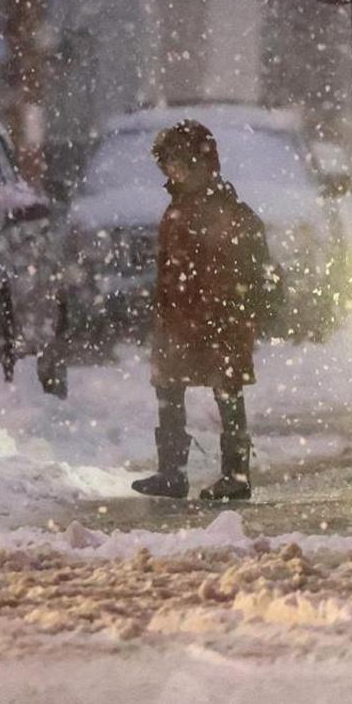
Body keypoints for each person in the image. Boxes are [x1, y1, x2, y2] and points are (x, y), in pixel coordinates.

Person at [133, 121, 270, 502]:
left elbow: (224, 272)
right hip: (183, 319)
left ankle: (235, 474)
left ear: (202, 165)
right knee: (169, 389)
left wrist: (211, 314)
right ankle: (172, 472)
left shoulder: (219, 211)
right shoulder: (180, 207)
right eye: (168, 164)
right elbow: (171, 269)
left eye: (180, 163)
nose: (173, 171)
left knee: (226, 391)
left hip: (217, 319)